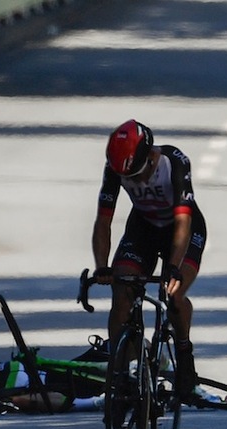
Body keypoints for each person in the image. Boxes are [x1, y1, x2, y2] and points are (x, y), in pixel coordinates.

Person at [92, 119, 207, 400]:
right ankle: (120, 373)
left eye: (139, 174)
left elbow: (182, 221)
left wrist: (173, 268)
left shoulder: (175, 162)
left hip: (182, 229)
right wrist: (102, 267)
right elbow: (103, 221)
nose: (136, 182)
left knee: (174, 293)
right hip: (143, 227)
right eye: (128, 178)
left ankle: (184, 354)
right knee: (122, 293)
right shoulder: (115, 167)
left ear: (149, 157)